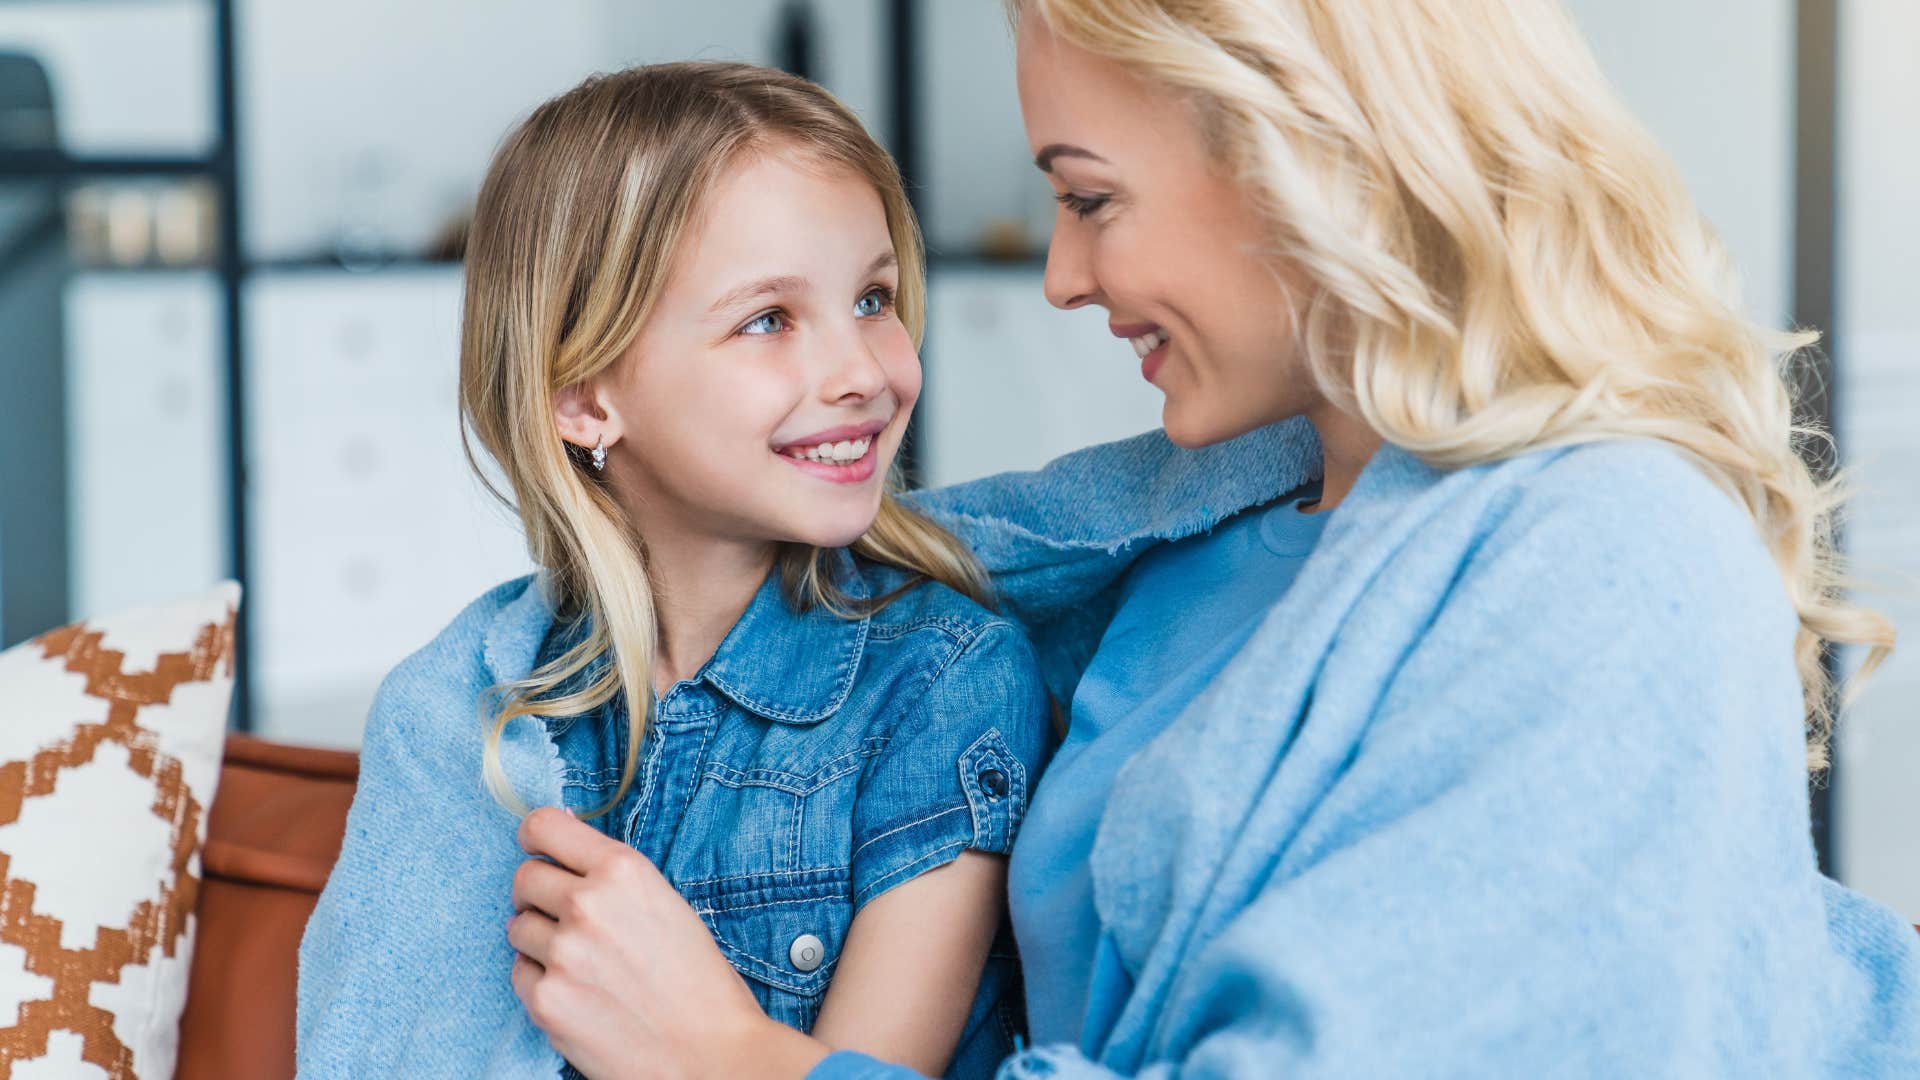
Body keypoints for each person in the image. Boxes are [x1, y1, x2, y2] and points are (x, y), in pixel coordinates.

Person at [505, 1, 1920, 1077]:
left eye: (1090, 198)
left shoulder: (1608, 556)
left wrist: (735, 1062)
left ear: (1303, 159)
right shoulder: (1183, 547)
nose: (1063, 276)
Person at [295, 63, 1053, 1079]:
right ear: (584, 396)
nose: (866, 371)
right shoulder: (461, 711)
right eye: (769, 319)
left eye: (873, 298)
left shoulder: (943, 683)